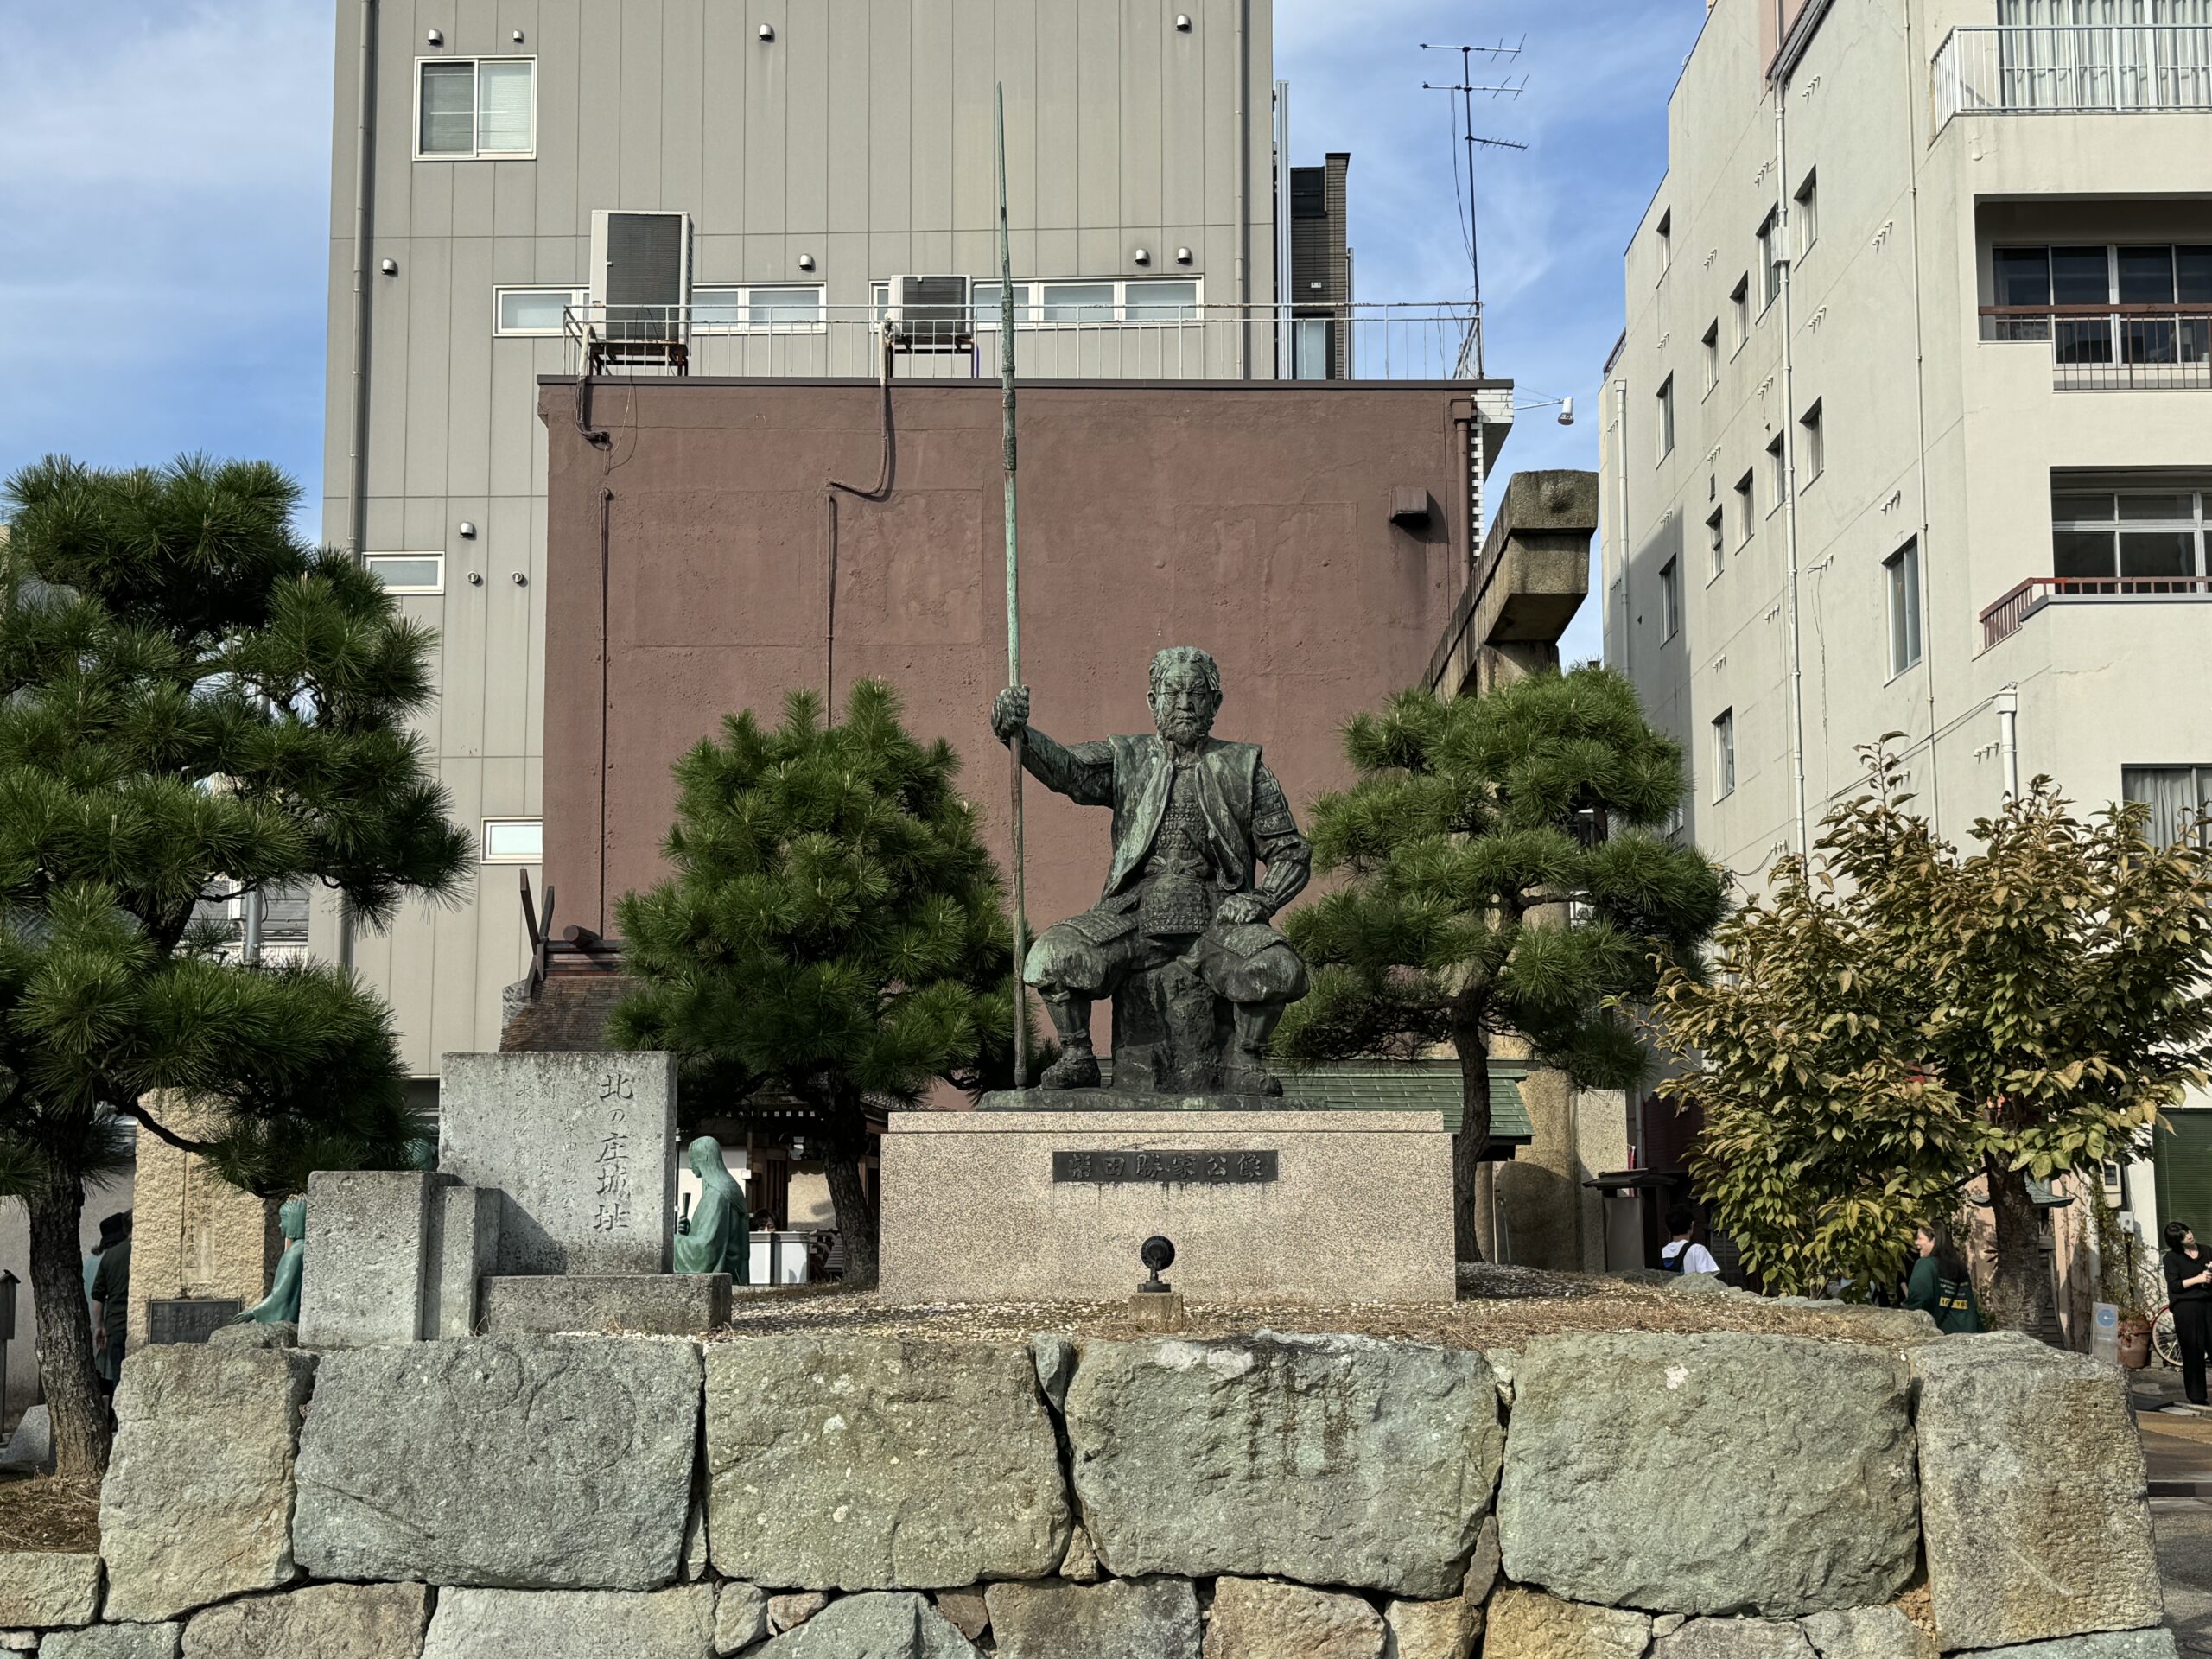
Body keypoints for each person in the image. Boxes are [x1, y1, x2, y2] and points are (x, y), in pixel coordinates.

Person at [2164, 1220, 2212, 1414]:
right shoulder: (2172, 1258)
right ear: (2177, 1241)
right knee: (2193, 1350)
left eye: (2188, 1231)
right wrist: (2198, 1279)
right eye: (2183, 1235)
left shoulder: (2207, 1251)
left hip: (2209, 1303)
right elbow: (2175, 1285)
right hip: (2186, 1307)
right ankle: (2197, 1396)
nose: (2189, 1235)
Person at [1904, 1220, 1984, 1336]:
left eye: (1920, 1238)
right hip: (1968, 1336)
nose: (1916, 1243)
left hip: (1940, 1337)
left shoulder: (1926, 1265)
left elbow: (1917, 1301)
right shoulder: (1960, 1267)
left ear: (1934, 1240)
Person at [87, 1211, 132, 1395]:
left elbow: (95, 1295)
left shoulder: (93, 1260)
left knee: (112, 1383)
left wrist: (98, 1326)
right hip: (117, 1323)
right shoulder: (130, 1254)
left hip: (104, 1328)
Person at [1659, 1205, 1720, 1275]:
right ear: (1692, 1224)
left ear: (1667, 1228)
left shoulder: (1663, 1251)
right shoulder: (1697, 1250)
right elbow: (1707, 1280)